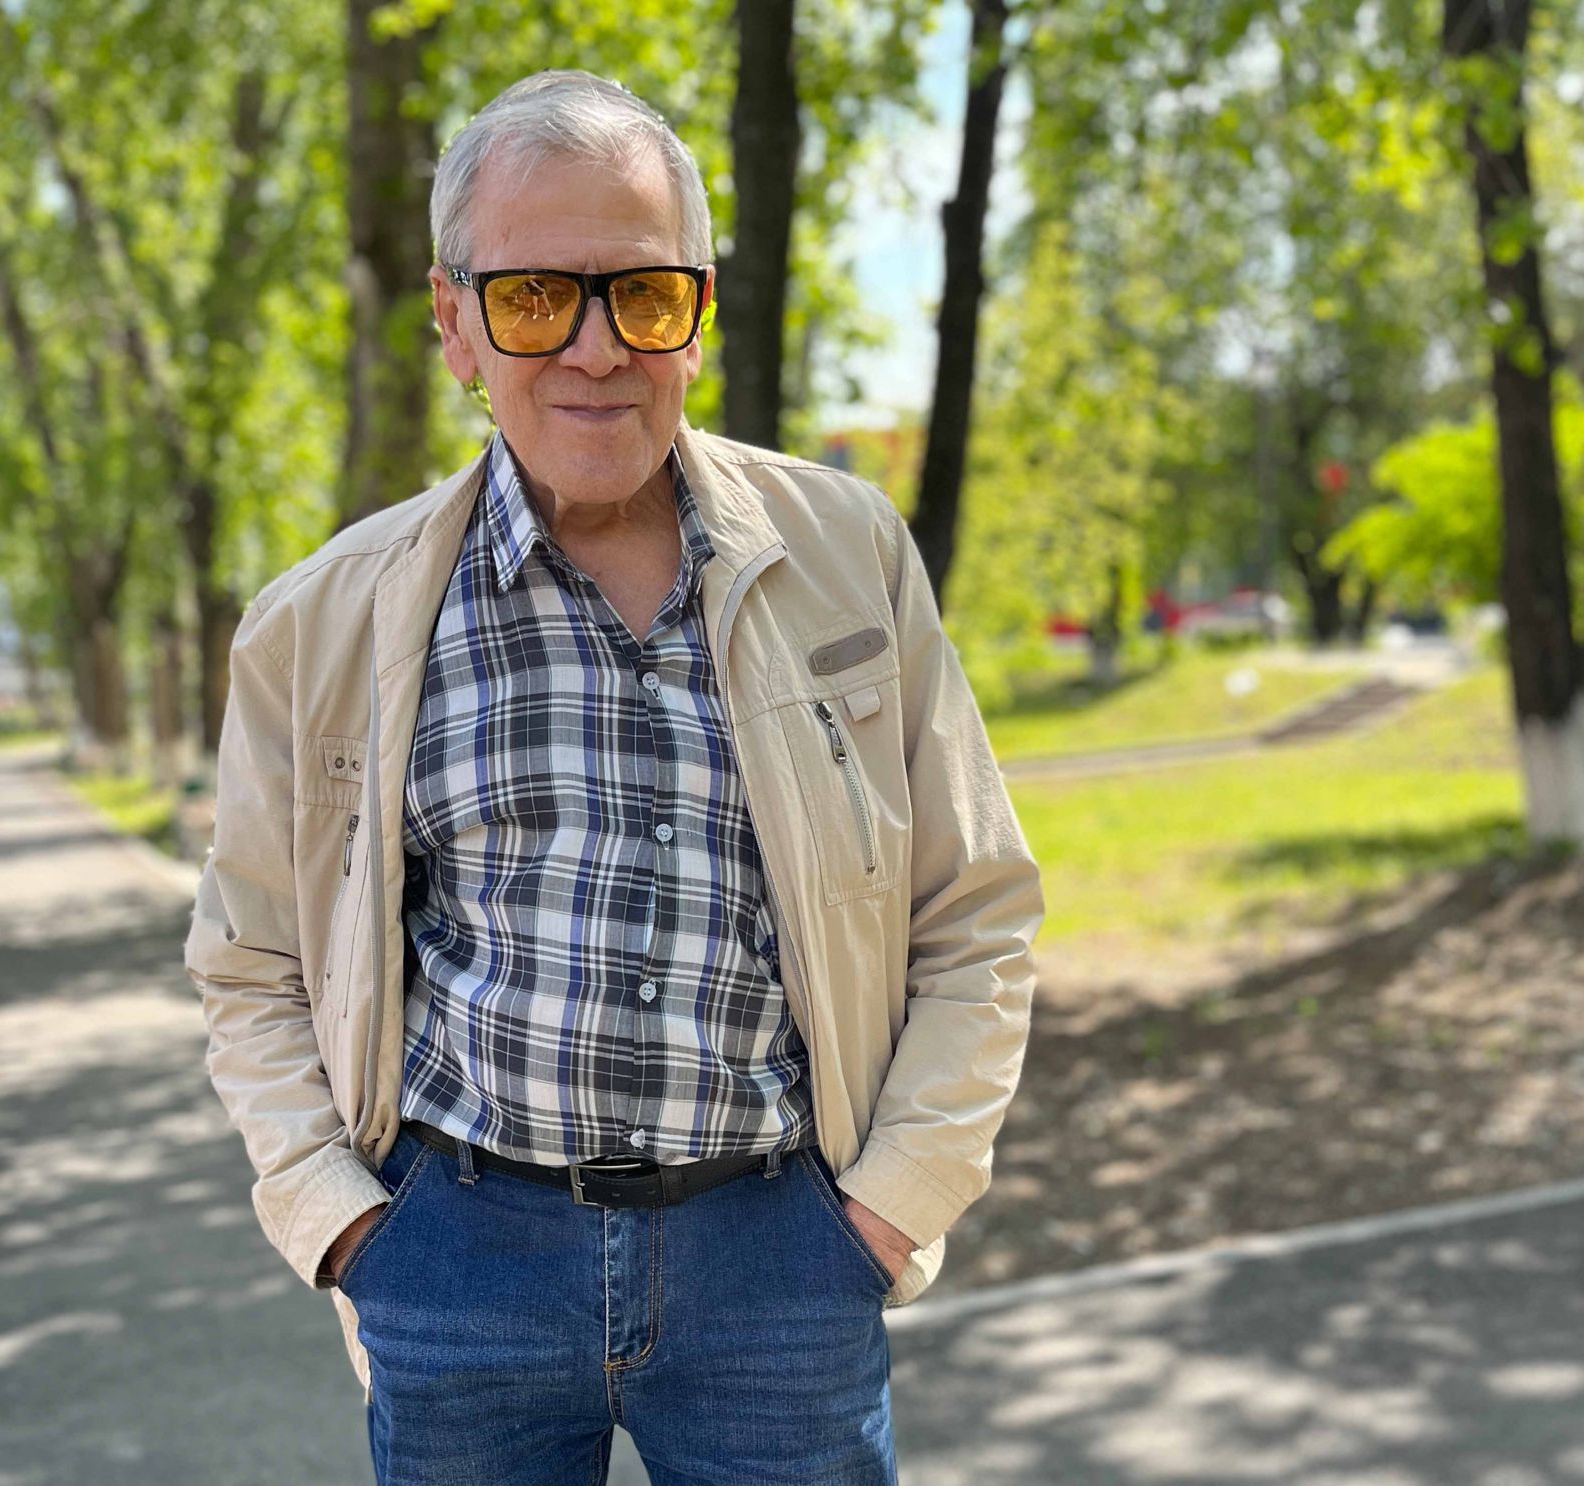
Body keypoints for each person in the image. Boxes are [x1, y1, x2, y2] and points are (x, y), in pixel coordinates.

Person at [183, 67, 1043, 1486]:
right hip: (460, 1268)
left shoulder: (847, 557)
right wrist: (343, 1221)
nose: (597, 349)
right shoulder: (320, 623)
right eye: (534, 299)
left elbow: (975, 911)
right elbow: (252, 962)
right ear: (455, 325)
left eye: (643, 295)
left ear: (697, 314)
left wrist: (894, 1203)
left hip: (782, 1262)